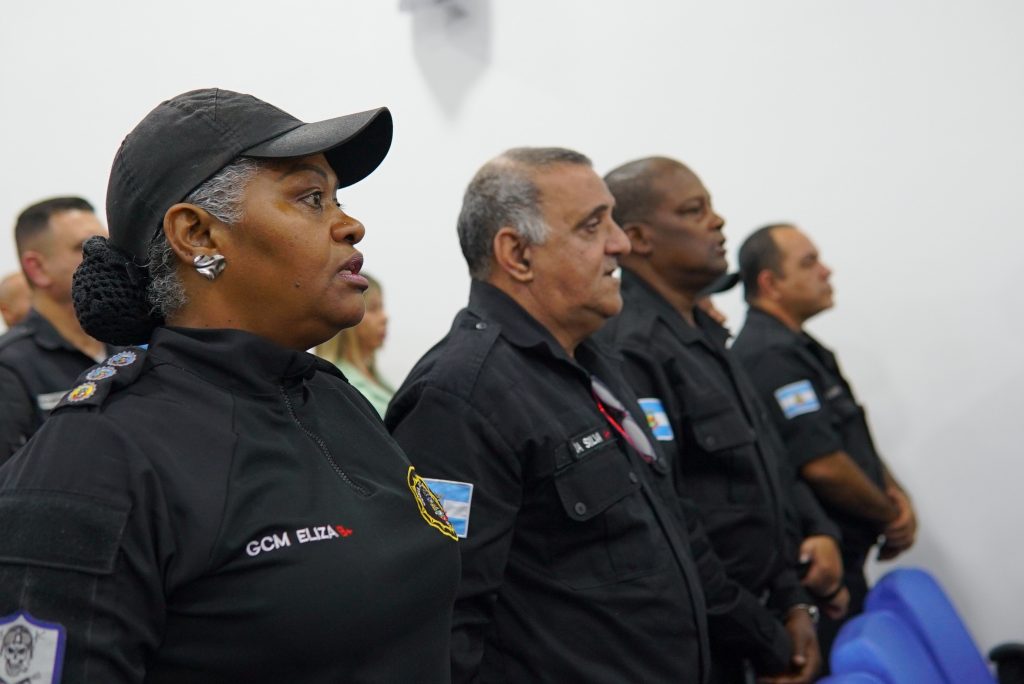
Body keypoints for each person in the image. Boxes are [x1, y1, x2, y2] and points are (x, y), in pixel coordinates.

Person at [0, 88, 459, 683]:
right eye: (311, 198)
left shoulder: (331, 397)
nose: (351, 225)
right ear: (198, 235)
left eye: (338, 199)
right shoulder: (98, 457)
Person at [386, 148, 712, 682]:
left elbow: (669, 529)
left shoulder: (592, 363)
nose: (621, 244)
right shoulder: (459, 398)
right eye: (592, 226)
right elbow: (442, 624)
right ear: (517, 254)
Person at [598, 157, 843, 683]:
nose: (718, 221)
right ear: (638, 238)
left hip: (768, 613)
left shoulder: (706, 333)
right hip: (714, 641)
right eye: (694, 211)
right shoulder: (631, 347)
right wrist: (768, 636)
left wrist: (793, 597)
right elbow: (674, 520)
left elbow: (768, 465)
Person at [732, 223, 917, 659]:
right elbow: (821, 464)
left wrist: (894, 494)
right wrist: (889, 514)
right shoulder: (768, 355)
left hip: (850, 556)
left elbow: (849, 437)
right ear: (771, 284)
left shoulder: (800, 347)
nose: (826, 271)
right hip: (822, 571)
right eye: (809, 263)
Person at [0, 198, 110, 462]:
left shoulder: (129, 344)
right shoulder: (9, 366)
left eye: (106, 243)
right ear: (37, 269)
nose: (105, 256)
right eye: (85, 246)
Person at [316, 273, 394, 416]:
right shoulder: (335, 384)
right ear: (346, 315)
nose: (385, 317)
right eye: (373, 308)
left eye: (382, 307)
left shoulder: (376, 378)